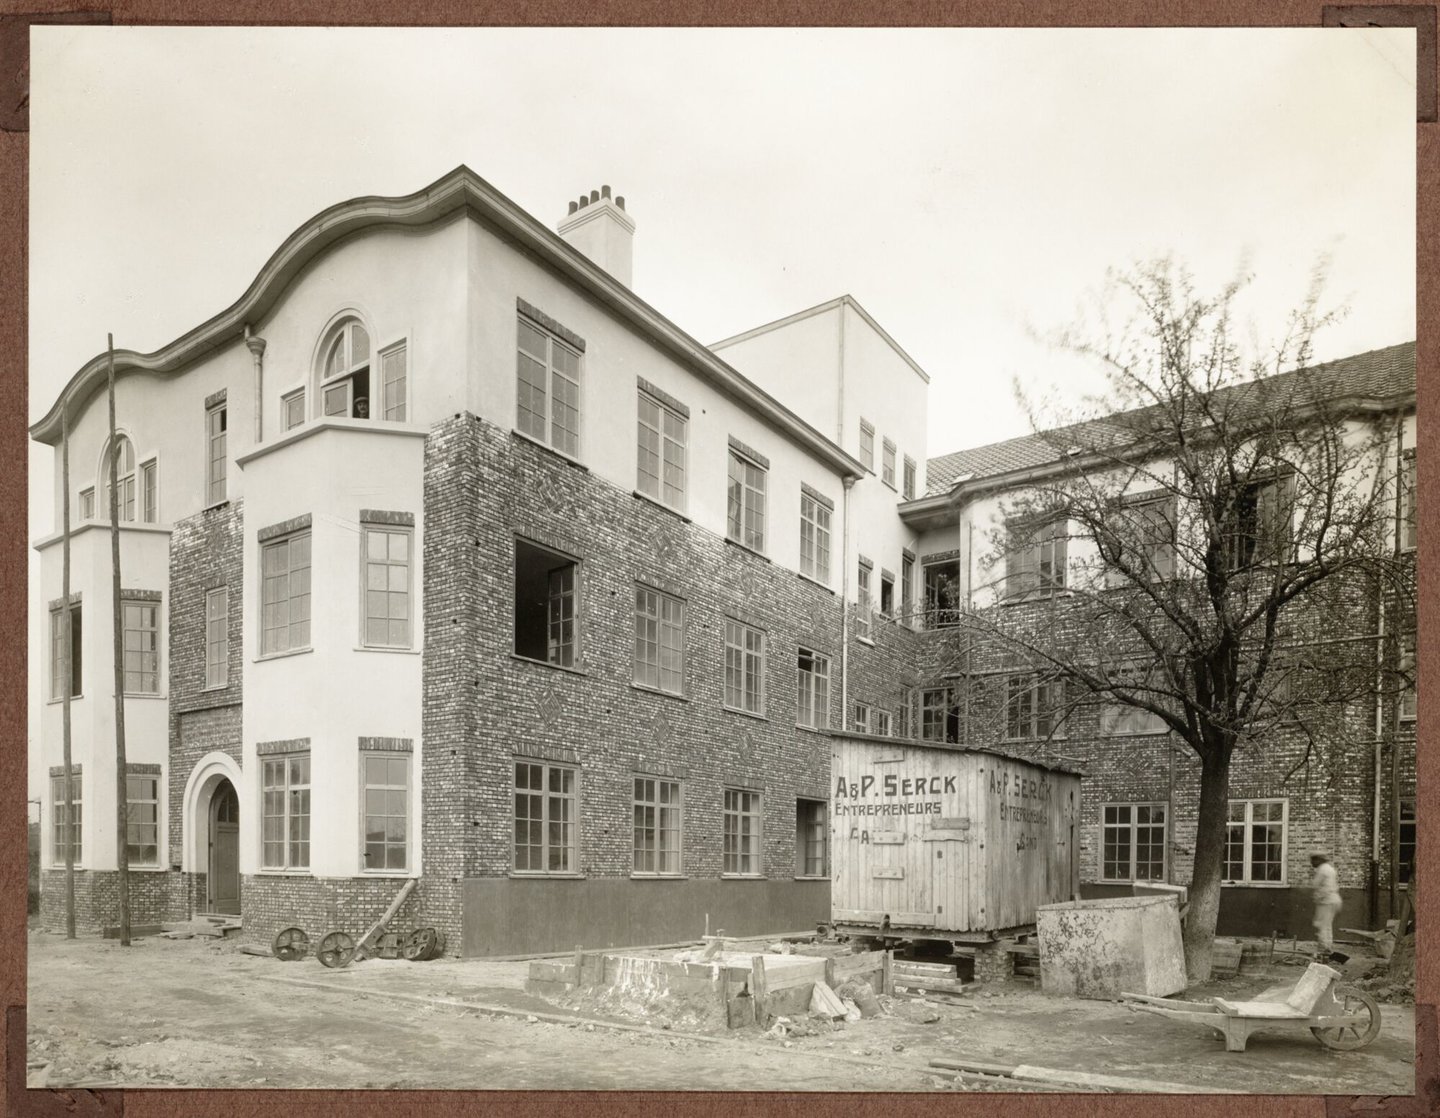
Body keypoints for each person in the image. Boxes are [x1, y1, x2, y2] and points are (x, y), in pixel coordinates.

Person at [1310, 853, 1342, 960]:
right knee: (1327, 926)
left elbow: (1321, 887)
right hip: (1333, 900)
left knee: (1322, 925)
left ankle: (1323, 951)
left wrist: (1317, 897)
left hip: (1326, 901)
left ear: (1318, 860)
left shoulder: (1322, 870)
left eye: (1313, 860)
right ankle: (1327, 948)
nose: (1311, 863)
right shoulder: (1329, 868)